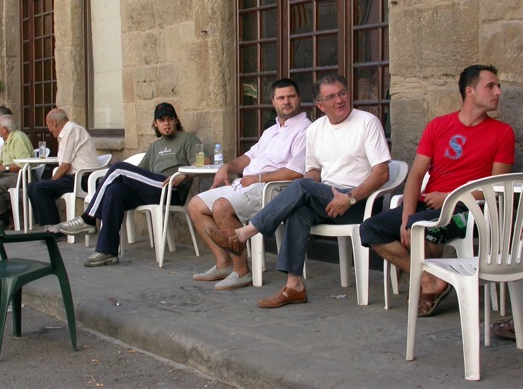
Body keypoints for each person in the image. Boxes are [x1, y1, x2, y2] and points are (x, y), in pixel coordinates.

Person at [206, 74, 391, 308]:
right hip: (327, 197)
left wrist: (350, 198)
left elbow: (382, 173)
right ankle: (294, 286)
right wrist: (309, 188)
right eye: (330, 97)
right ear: (320, 105)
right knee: (299, 207)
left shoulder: (367, 122)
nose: (339, 100)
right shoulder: (315, 130)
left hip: (359, 202)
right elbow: (313, 172)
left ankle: (244, 234)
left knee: (300, 185)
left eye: (342, 93)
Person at [359, 64, 514, 317]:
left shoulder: (502, 133)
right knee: (370, 229)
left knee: (422, 226)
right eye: (491, 86)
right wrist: (406, 216)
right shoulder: (438, 126)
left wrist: (451, 198)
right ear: (470, 91)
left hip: (470, 210)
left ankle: (432, 281)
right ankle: (431, 280)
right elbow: (416, 176)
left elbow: (496, 187)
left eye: (498, 87)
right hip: (428, 205)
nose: (498, 92)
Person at [188, 78, 311, 290]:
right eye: (281, 98)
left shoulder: (305, 130)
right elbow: (248, 157)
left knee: (222, 206)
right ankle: (223, 263)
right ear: (273, 101)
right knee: (196, 205)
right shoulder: (271, 131)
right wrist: (227, 167)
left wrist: (260, 178)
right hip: (246, 185)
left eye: (291, 96)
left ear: (299, 99)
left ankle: (241, 271)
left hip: (273, 190)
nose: (287, 101)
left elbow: (296, 172)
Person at [56, 102, 203, 267]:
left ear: (176, 120)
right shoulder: (155, 145)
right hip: (152, 187)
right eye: (162, 120)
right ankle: (107, 251)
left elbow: (204, 163)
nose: (166, 123)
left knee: (118, 168)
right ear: (156, 124)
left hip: (171, 189)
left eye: (170, 119)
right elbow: (139, 172)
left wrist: (184, 174)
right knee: (115, 190)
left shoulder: (188, 139)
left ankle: (88, 218)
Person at [27, 108, 99, 233]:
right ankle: (48, 225)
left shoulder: (71, 131)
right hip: (73, 177)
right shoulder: (68, 132)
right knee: (32, 186)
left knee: (40, 188)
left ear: (54, 123)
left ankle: (55, 229)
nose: (49, 129)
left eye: (48, 125)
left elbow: (65, 166)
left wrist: (53, 181)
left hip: (83, 179)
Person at [0, 114, 34, 229]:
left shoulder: (18, 137)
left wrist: (3, 168)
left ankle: (4, 219)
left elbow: (23, 164)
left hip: (20, 175)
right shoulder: (7, 139)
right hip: (8, 174)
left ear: (4, 129)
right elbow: (2, 161)